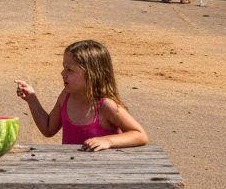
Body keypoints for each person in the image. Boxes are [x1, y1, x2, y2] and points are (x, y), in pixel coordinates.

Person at [15, 40, 148, 150]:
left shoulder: (106, 106)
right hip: (71, 167)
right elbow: (48, 129)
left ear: (92, 74)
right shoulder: (66, 97)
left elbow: (140, 135)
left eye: (69, 70)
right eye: (64, 67)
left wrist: (108, 141)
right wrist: (31, 99)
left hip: (103, 169)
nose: (63, 73)